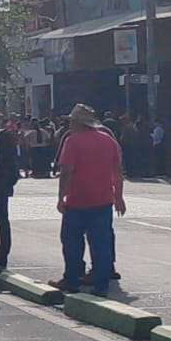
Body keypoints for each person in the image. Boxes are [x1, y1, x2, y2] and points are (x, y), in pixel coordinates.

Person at [54, 104, 126, 295]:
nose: (69, 124)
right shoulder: (109, 141)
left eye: (71, 121)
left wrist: (61, 197)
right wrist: (119, 197)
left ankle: (72, 278)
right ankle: (101, 286)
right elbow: (117, 172)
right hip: (103, 200)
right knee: (101, 245)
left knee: (71, 242)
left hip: (77, 200)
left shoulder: (72, 141)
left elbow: (66, 172)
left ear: (77, 123)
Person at [0, 112, 22, 270]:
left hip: (0, 186)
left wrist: (8, 182)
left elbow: (12, 163)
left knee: (2, 220)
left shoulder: (5, 139)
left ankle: (3, 254)